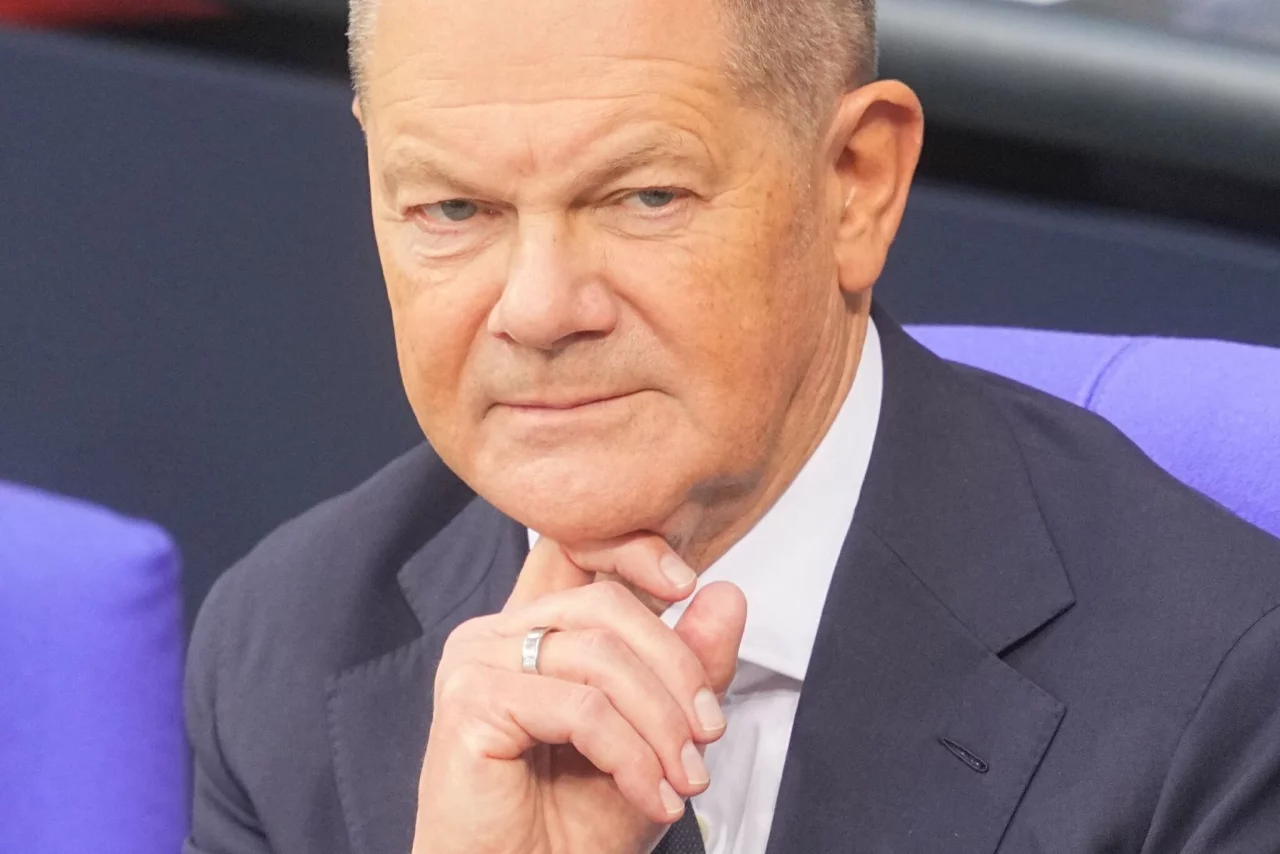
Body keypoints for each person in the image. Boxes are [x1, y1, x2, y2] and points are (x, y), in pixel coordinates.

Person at [183, 0, 1280, 851]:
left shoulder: (1223, 700)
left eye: (644, 197)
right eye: (453, 209)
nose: (540, 308)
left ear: (856, 183)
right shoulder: (286, 644)